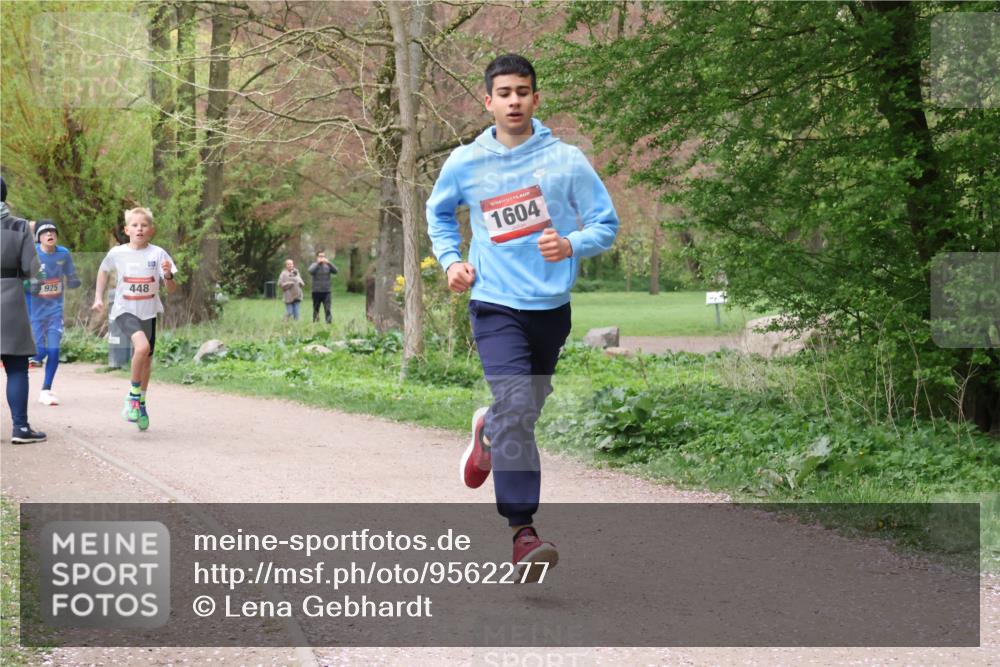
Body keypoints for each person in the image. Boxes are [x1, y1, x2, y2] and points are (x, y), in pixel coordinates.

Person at [426, 54, 619, 581]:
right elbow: (439, 213)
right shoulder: (466, 162)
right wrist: (451, 261)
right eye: (504, 92)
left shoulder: (567, 160)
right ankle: (523, 532)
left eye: (523, 91)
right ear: (488, 101)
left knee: (522, 412)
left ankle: (489, 428)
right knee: (517, 403)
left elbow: (606, 223)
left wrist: (571, 243)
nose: (514, 100)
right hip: (493, 302)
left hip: (550, 308)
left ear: (536, 99)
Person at [91, 207, 178, 431]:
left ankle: (141, 404)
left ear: (152, 230)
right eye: (135, 225)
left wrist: (167, 275)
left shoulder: (158, 254)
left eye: (144, 225)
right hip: (124, 310)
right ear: (127, 229)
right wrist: (98, 297)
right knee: (141, 348)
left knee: (147, 360)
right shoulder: (117, 253)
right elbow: (103, 271)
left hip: (148, 312)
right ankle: (132, 396)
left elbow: (172, 289)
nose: (140, 229)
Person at [1, 176, 47, 443]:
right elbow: (33, 269)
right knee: (16, 367)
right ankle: (20, 428)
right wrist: (37, 288)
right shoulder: (18, 227)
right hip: (10, 302)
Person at [29, 220, 82, 406]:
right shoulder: (31, 253)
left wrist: (74, 280)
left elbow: (71, 275)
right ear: (38, 238)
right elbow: (23, 285)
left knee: (54, 351)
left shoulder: (63, 253)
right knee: (40, 350)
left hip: (55, 311)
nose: (49, 234)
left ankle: (46, 390)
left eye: (53, 231)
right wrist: (35, 282)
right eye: (44, 232)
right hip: (34, 311)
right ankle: (25, 359)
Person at [307, 250, 338, 323]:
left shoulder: (328, 265)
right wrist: (318, 263)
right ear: (317, 257)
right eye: (320, 256)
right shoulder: (314, 265)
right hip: (316, 291)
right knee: (316, 308)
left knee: (327, 308)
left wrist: (329, 263)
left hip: (326, 291)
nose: (322, 258)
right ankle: (315, 322)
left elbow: (335, 271)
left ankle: (329, 322)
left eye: (323, 256)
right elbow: (310, 271)